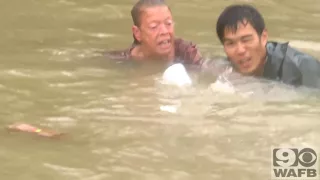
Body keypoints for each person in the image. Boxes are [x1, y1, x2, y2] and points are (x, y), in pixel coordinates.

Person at [214, 4, 320, 89]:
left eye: (246, 40)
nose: (240, 50)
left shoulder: (302, 69)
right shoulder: (227, 66)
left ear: (264, 37)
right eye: (231, 43)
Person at [106, 0, 202, 66]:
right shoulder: (122, 60)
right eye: (154, 27)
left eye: (168, 23)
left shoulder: (186, 53)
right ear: (137, 33)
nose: (164, 32)